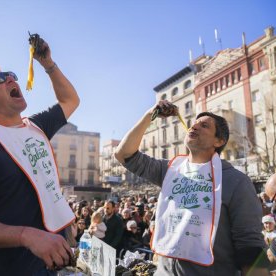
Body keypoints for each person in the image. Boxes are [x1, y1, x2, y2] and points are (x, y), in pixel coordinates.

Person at [0, 36, 80, 275]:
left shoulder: (37, 127)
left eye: (11, 74)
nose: (10, 78)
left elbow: (70, 100)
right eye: (0, 79)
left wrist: (47, 63)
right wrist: (26, 236)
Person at [115, 100, 268, 275]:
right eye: (194, 123)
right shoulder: (170, 171)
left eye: (204, 126)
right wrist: (150, 115)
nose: (194, 127)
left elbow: (249, 246)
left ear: (219, 141)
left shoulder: (237, 182)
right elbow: (123, 154)